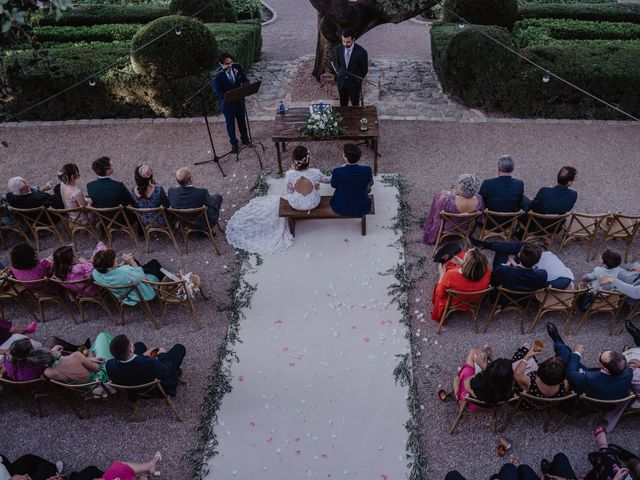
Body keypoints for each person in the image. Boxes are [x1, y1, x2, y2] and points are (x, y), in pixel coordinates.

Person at [225, 146, 331, 254]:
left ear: (294, 160)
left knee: (287, 197)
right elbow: (328, 180)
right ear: (308, 159)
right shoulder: (315, 172)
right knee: (314, 190)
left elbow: (289, 192)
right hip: (313, 203)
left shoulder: (290, 174)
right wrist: (316, 185)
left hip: (296, 204)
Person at [546, 322, 632, 400]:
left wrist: (577, 353)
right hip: (608, 391)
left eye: (600, 357)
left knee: (566, 356)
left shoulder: (590, 379)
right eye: (602, 352)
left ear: (606, 369)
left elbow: (571, 373)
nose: (599, 353)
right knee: (567, 355)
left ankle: (558, 341)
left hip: (588, 393)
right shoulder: (628, 372)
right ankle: (559, 343)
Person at [473, 237, 574, 289]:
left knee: (502, 251)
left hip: (503, 291)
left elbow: (495, 278)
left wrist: (506, 265)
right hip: (522, 288)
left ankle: (483, 245)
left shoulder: (503, 270)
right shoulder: (542, 275)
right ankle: (483, 245)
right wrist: (516, 266)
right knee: (514, 247)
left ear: (519, 255)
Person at [106, 334, 185, 397]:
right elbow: (167, 371)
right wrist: (162, 354)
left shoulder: (109, 365)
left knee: (139, 345)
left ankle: (135, 356)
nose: (132, 343)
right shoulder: (150, 363)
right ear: (130, 350)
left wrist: (140, 357)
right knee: (179, 348)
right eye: (130, 343)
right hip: (155, 390)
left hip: (133, 390)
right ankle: (177, 372)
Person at [431, 248, 491, 322]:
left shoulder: (451, 274)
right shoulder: (488, 272)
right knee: (459, 254)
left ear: (466, 263)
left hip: (455, 301)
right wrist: (462, 262)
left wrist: (442, 274)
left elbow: (440, 294)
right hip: (474, 300)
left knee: (441, 287)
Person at [422, 174, 484, 245]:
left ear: (462, 189)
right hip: (465, 227)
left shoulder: (448, 200)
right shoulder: (479, 199)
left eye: (458, 186)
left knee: (437, 195)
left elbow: (438, 210)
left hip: (448, 226)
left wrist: (442, 196)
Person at [39, 332, 114, 385]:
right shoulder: (76, 356)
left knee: (85, 351)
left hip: (85, 387)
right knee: (103, 336)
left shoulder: (47, 372)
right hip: (99, 380)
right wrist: (89, 357)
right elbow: (97, 368)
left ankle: (88, 349)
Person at [211, 52, 250, 153]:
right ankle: (234, 144)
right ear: (220, 63)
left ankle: (245, 139)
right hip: (228, 104)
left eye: (231, 62)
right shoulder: (216, 75)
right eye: (227, 64)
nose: (230, 65)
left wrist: (246, 85)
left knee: (242, 121)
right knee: (230, 124)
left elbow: (245, 80)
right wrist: (229, 97)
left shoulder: (237, 67)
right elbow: (218, 92)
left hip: (240, 101)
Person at [91, 249, 161, 305]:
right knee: (154, 263)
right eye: (115, 260)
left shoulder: (95, 273)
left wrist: (123, 263)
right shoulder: (126, 272)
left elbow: (112, 273)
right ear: (110, 265)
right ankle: (162, 288)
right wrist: (132, 261)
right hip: (140, 293)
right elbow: (142, 278)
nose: (116, 260)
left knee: (146, 266)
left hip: (122, 294)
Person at [330, 144, 373, 217]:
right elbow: (370, 182)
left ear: (345, 157)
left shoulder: (337, 171)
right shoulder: (367, 170)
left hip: (341, 206)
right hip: (362, 206)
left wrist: (342, 168)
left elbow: (333, 185)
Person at [334, 28, 368, 106]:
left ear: (353, 39)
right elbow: (339, 64)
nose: (345, 44)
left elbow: (364, 70)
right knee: (343, 104)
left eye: (348, 42)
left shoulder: (362, 52)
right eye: (344, 41)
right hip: (341, 82)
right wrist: (340, 74)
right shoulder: (339, 48)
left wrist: (358, 79)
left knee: (355, 105)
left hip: (354, 84)